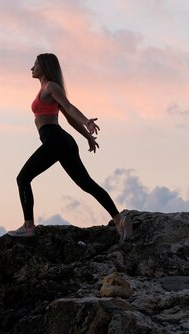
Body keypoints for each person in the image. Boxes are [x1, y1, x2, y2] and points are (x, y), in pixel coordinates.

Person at [8, 53, 130, 240]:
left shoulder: (51, 87)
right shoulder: (47, 89)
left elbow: (70, 108)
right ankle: (119, 221)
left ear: (45, 67)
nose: (31, 68)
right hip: (63, 141)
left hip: (55, 140)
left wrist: (87, 122)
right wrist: (87, 136)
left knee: (23, 178)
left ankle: (28, 227)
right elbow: (69, 119)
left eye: (35, 65)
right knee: (86, 184)